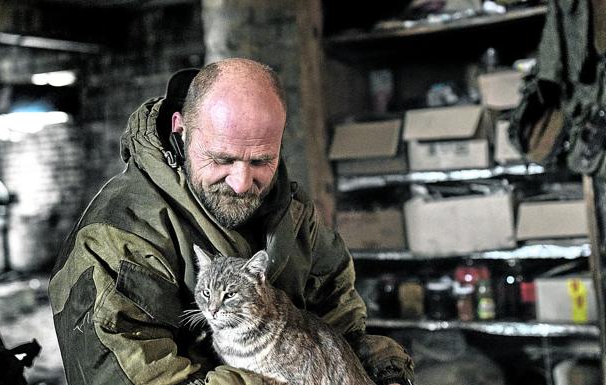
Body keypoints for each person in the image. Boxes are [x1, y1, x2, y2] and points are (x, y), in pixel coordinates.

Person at [48, 58, 415, 385]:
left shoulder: (292, 209)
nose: (242, 183)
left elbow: (341, 325)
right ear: (181, 128)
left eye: (261, 161)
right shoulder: (116, 239)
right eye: (222, 159)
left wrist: (381, 368)